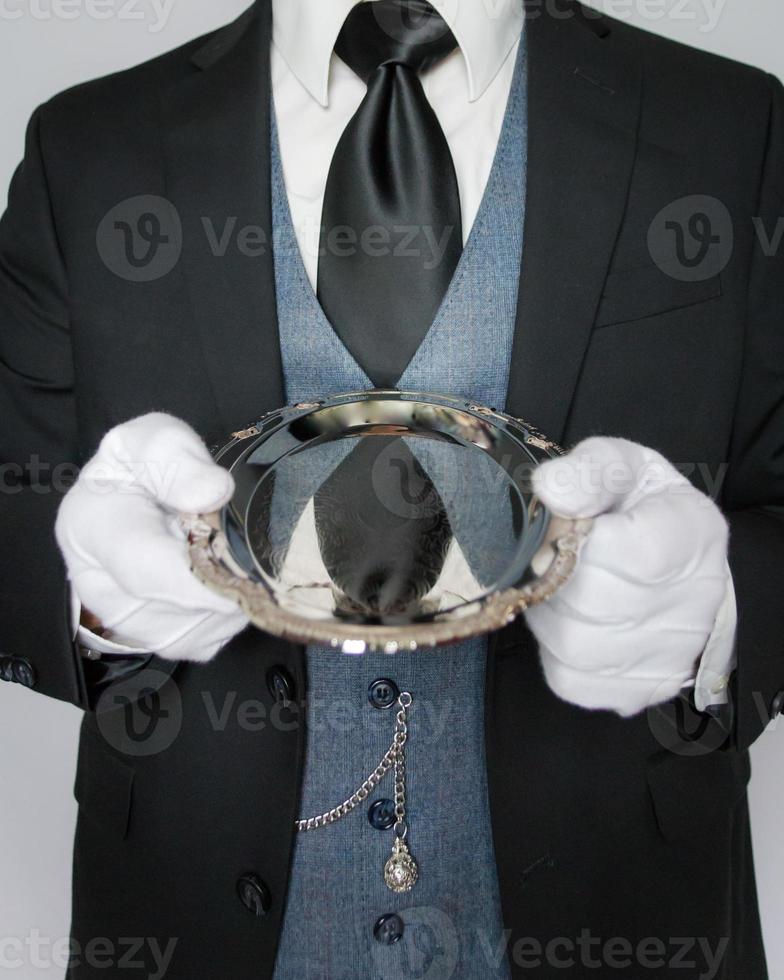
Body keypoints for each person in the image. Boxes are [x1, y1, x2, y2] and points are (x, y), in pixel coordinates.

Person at [1, 0, 782, 977]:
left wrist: (723, 608)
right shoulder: (88, 145)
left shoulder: (729, 125)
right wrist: (85, 589)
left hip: (624, 915)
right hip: (187, 922)